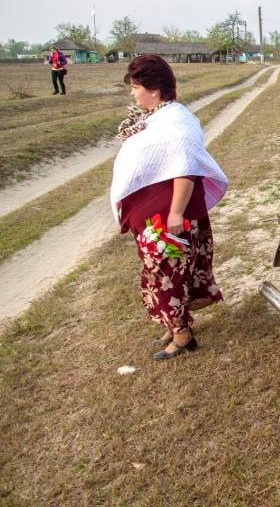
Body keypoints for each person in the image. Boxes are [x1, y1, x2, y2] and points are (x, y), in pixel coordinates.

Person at [110, 55, 229, 360]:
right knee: (161, 272)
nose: (133, 94)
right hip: (155, 219)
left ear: (154, 88)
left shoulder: (177, 121)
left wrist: (175, 213)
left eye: (136, 87)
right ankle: (172, 324)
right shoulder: (157, 118)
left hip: (170, 222)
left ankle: (182, 335)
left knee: (167, 274)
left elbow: (185, 168)